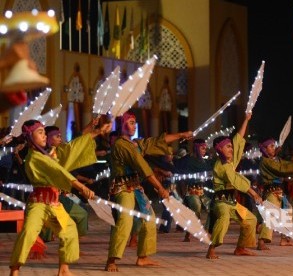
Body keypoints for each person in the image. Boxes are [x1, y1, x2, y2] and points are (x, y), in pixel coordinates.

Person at [105, 110, 192, 272]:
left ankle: (143, 257)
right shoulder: (120, 145)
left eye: (134, 122)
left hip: (136, 187)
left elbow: (157, 141)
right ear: (122, 125)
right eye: (131, 122)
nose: (134, 125)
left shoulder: (136, 144)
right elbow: (143, 167)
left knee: (150, 218)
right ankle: (112, 259)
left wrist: (182, 134)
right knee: (125, 220)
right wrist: (160, 188)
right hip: (122, 188)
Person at [9, 120, 95, 276]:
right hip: (39, 203)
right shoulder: (35, 157)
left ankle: (64, 269)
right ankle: (14, 269)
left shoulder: (47, 153)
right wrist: (82, 187)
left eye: (44, 132)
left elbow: (70, 150)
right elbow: (58, 171)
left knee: (69, 231)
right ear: (29, 136)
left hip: (55, 204)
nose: (44, 135)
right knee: (28, 233)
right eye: (40, 132)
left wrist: (95, 132)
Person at [206, 112, 262, 259]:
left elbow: (238, 139)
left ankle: (240, 248)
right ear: (220, 149)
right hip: (221, 203)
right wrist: (253, 193)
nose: (231, 149)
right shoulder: (222, 165)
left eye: (231, 147)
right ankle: (211, 248)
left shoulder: (231, 161)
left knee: (250, 219)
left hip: (232, 202)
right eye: (227, 147)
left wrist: (246, 119)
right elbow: (235, 179)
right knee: (224, 219)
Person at [256, 138, 293, 250]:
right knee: (271, 215)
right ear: (264, 149)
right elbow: (282, 169)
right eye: (271, 146)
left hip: (279, 192)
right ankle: (261, 241)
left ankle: (285, 239)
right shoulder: (265, 161)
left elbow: (287, 166)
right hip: (271, 191)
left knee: (288, 211)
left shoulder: (277, 160)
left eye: (274, 146)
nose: (274, 148)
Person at [181, 138, 214, 241]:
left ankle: (206, 231)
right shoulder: (187, 160)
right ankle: (188, 234)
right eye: (202, 148)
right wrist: (183, 192)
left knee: (213, 209)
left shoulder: (205, 161)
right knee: (196, 212)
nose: (205, 150)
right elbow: (182, 176)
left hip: (203, 190)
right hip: (191, 191)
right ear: (196, 148)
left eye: (205, 148)